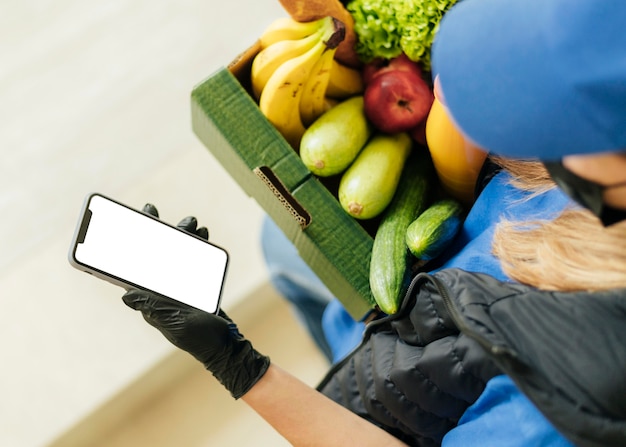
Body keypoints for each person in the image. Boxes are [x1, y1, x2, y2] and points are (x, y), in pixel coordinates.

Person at [120, 0, 626, 445]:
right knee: (279, 245)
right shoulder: (590, 163)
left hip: (403, 391)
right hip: (415, 306)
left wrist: (239, 365)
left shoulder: (576, 403)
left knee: (291, 270)